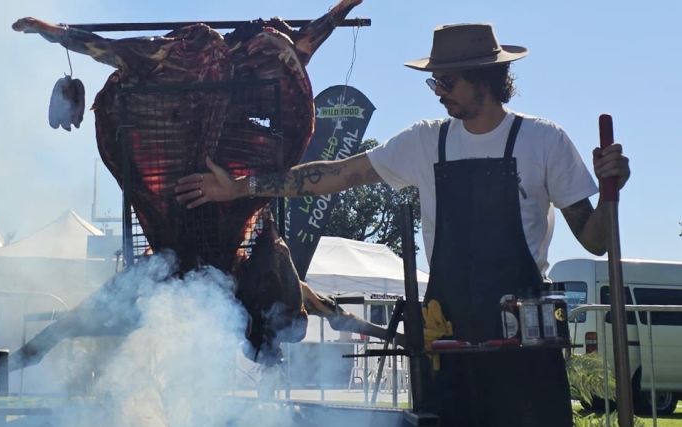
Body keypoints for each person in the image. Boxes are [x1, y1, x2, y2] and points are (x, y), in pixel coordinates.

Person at [176, 23, 630, 427]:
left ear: (485, 79)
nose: (438, 91)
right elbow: (337, 175)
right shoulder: (425, 141)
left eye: (446, 81)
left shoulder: (544, 141)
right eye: (434, 81)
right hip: (446, 341)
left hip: (523, 347)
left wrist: (612, 192)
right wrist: (242, 188)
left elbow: (595, 242)